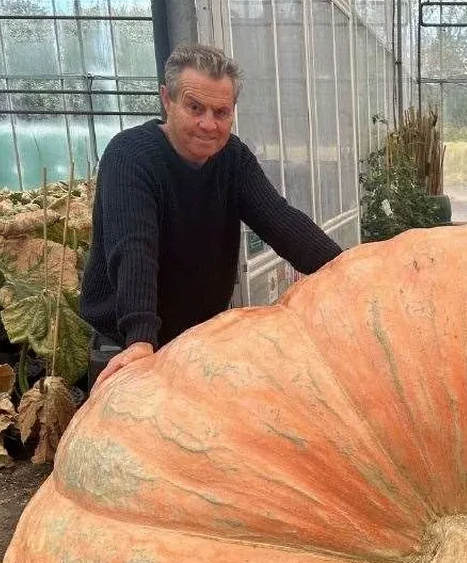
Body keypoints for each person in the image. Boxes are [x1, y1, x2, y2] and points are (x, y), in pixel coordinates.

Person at [81, 44, 343, 389]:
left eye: (221, 112)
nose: (209, 124)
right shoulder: (130, 156)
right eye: (195, 108)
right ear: (167, 100)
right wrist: (141, 338)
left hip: (198, 336)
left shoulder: (232, 158)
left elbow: (280, 221)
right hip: (129, 338)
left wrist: (348, 272)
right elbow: (134, 249)